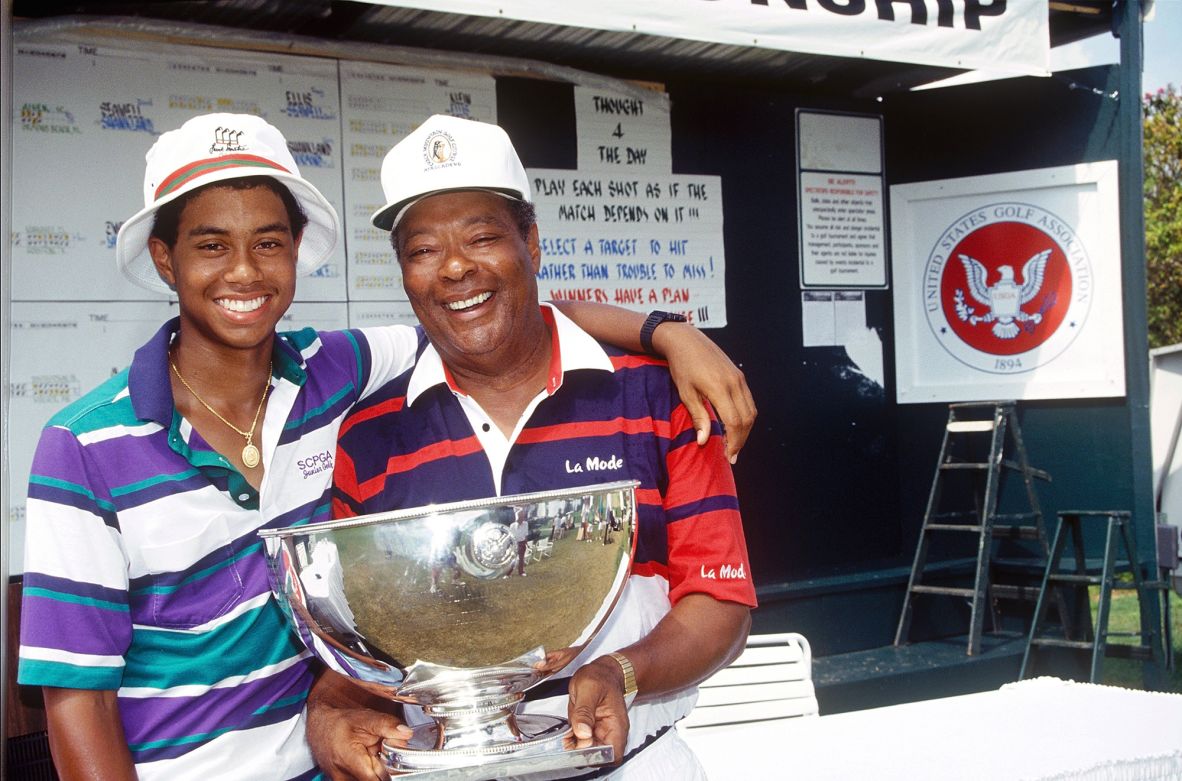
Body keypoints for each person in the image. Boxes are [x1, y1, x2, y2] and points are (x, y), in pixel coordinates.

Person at [16, 113, 756, 781]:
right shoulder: (89, 445)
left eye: (267, 243)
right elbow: (77, 705)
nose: (243, 271)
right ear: (167, 259)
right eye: (212, 245)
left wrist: (667, 331)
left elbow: (507, 310)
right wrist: (330, 712)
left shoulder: (337, 377)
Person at [314, 114, 756, 780]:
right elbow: (362, 642)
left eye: (482, 237)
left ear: (533, 244)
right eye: (423, 249)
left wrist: (622, 672)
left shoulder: (658, 394)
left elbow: (720, 600)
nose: (455, 267)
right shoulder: (370, 435)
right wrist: (331, 709)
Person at [509, 508, 530, 577]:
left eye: (522, 517)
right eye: (520, 517)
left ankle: (521, 572)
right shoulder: (512, 526)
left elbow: (526, 534)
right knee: (512, 559)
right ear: (517, 517)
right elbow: (511, 537)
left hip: (522, 543)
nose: (521, 519)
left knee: (521, 559)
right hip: (515, 544)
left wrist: (526, 543)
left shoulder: (526, 524)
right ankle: (508, 573)